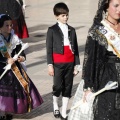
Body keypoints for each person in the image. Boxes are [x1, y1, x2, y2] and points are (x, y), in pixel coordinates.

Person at [68, 0, 120, 120]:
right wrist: (89, 87)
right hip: (107, 81)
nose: (119, 10)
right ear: (106, 7)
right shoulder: (98, 31)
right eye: (116, 6)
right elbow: (91, 61)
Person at [0, 14, 43, 120]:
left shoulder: (14, 37)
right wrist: (5, 60)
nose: (10, 27)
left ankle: (10, 110)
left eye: (11, 25)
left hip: (14, 68)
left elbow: (20, 49)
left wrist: (22, 57)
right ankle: (2, 112)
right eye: (7, 25)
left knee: (15, 91)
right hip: (2, 68)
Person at [46, 2, 80, 120]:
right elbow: (49, 49)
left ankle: (64, 111)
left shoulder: (72, 30)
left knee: (68, 87)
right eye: (63, 15)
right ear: (56, 16)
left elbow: (75, 48)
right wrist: (50, 65)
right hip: (57, 63)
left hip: (70, 63)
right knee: (58, 86)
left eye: (66, 15)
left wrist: (77, 65)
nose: (66, 17)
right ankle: (55, 104)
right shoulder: (52, 30)